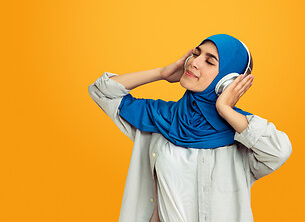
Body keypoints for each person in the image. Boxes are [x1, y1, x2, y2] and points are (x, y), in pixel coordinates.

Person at [88, 34, 292, 222]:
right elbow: (102, 91)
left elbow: (279, 151)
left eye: (209, 61)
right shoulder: (161, 119)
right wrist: (161, 72)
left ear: (227, 80)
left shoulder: (241, 133)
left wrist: (224, 109)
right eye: (195, 54)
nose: (194, 62)